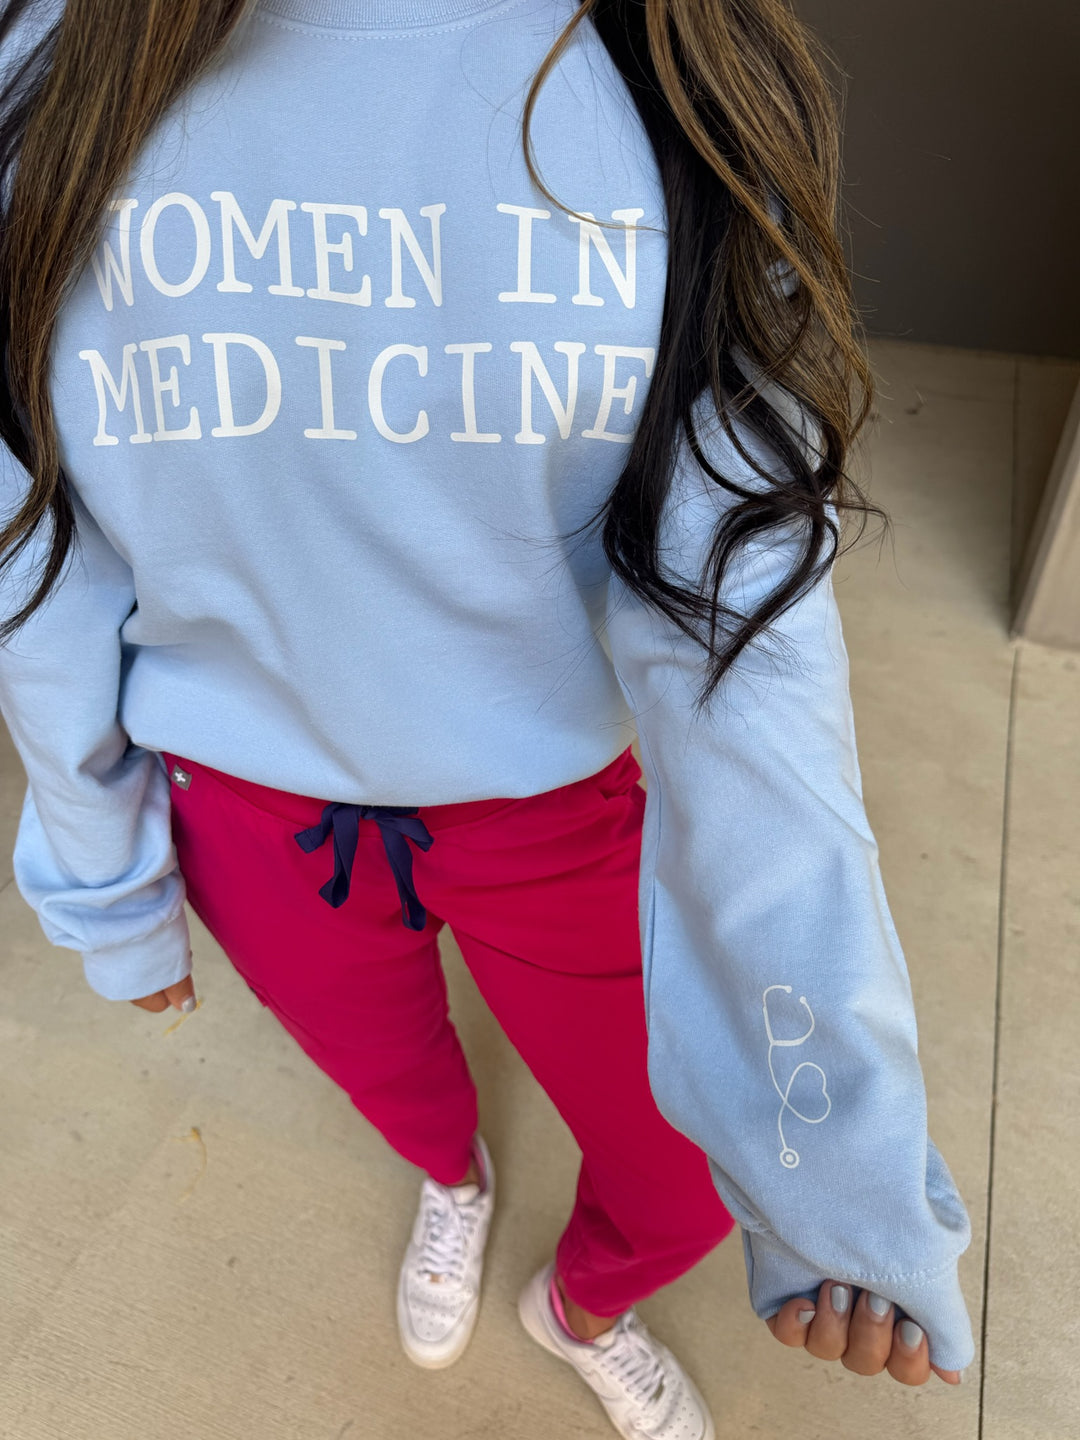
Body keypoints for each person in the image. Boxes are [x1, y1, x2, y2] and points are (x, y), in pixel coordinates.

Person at [0, 0, 975, 1434]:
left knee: (676, 1181)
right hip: (251, 819)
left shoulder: (674, 83)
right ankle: (453, 1183)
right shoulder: (44, 65)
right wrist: (104, 882)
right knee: (398, 1094)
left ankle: (581, 1307)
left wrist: (832, 1134)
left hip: (560, 815)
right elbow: (36, 554)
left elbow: (746, 646)